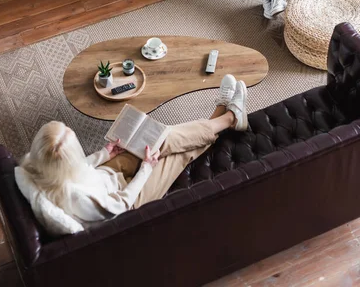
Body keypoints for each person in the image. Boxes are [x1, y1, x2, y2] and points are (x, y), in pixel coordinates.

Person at [15, 75, 248, 235]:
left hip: (109, 174)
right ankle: (231, 117)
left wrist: (103, 154)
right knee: (175, 155)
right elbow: (122, 204)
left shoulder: (37, 167)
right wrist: (146, 167)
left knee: (162, 136)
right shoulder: (77, 199)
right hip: (129, 198)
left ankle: (220, 115)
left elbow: (77, 168)